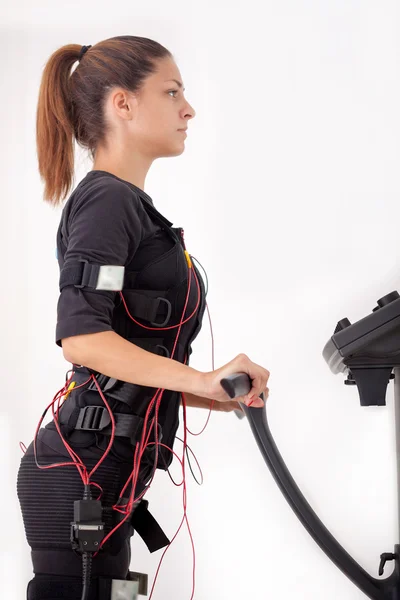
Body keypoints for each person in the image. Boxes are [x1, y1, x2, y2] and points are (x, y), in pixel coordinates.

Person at [17, 35, 270, 600]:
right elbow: (83, 338)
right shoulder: (107, 202)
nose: (189, 108)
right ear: (122, 103)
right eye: (172, 91)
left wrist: (216, 394)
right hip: (79, 474)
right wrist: (202, 379)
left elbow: (130, 368)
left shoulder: (130, 207)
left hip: (107, 475)